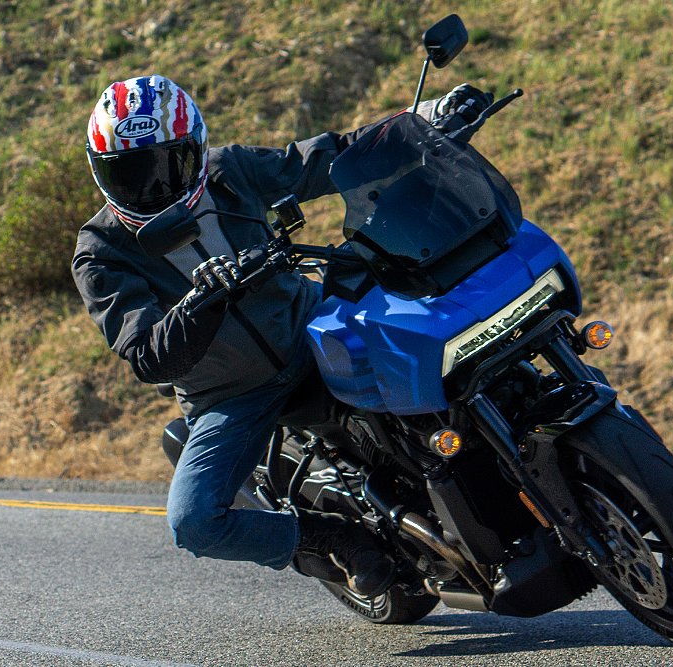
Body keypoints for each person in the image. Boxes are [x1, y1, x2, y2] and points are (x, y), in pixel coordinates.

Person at [72, 75, 492, 597]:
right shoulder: (101, 251)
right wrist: (200, 303)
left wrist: (430, 118)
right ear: (99, 169)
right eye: (130, 174)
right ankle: (324, 538)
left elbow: (326, 158)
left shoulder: (230, 171)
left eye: (166, 165)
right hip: (229, 395)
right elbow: (146, 353)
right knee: (193, 521)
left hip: (314, 327)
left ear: (196, 149)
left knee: (438, 336)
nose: (152, 188)